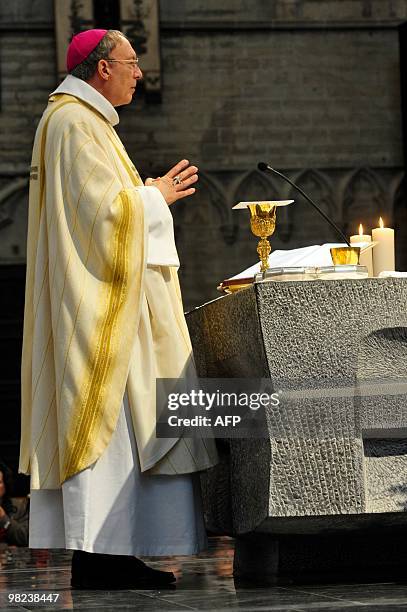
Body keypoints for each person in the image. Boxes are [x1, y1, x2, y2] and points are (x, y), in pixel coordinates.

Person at [19, 29, 217, 589]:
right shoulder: (72, 122)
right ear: (101, 68)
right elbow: (102, 218)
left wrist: (148, 196)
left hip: (114, 300)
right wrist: (155, 197)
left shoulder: (85, 121)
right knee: (115, 426)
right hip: (99, 309)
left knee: (135, 427)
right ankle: (101, 554)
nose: (140, 74)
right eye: (132, 63)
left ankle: (117, 553)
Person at [0, 461, 29, 547]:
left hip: (12, 558)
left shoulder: (20, 507)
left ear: (5, 485)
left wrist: (3, 518)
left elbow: (25, 538)